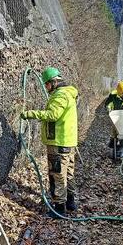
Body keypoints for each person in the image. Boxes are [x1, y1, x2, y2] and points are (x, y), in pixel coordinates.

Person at [20, 67, 78, 218]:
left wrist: (30, 114)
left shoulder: (60, 95)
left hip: (58, 142)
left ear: (54, 82)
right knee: (68, 174)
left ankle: (58, 209)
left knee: (57, 174)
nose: (46, 87)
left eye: (46, 84)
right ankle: (71, 203)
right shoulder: (68, 93)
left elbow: (53, 114)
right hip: (68, 141)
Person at [104, 81, 123, 148]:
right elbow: (107, 103)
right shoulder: (113, 95)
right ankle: (113, 141)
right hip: (117, 116)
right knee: (114, 130)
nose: (120, 94)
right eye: (119, 92)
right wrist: (108, 107)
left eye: (121, 93)